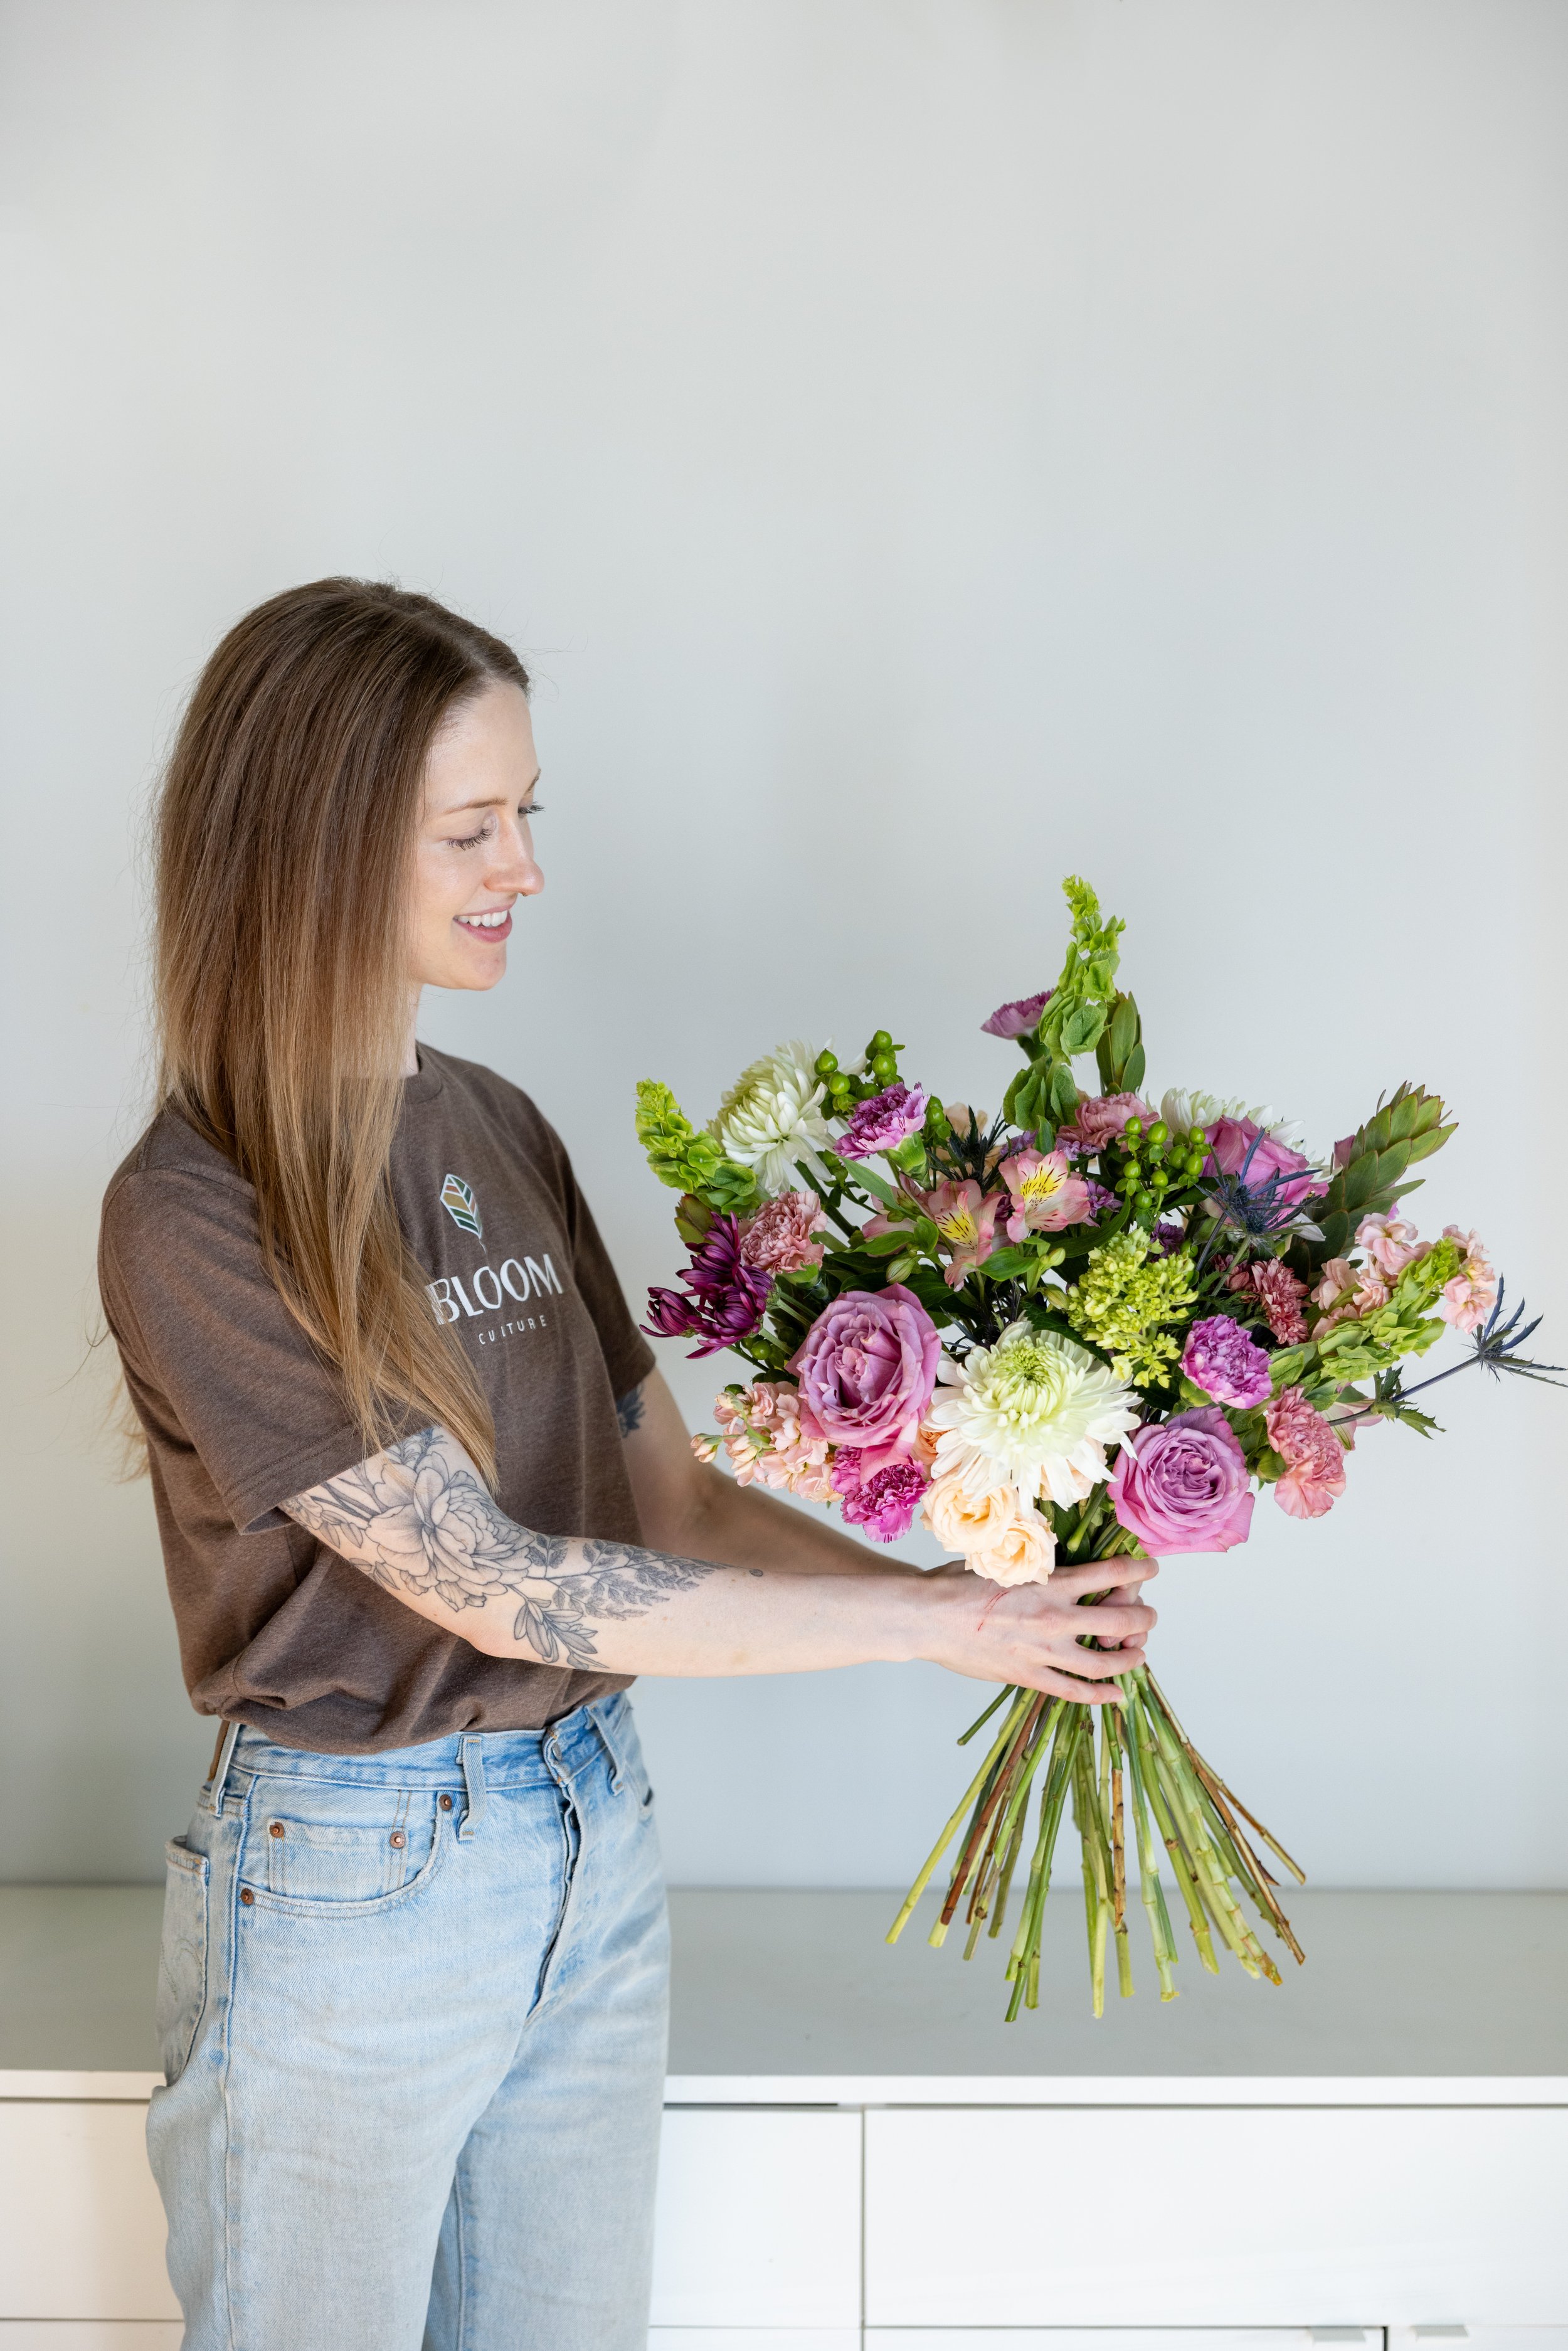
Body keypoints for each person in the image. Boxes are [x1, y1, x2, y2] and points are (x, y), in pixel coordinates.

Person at [98, 578, 1157, 2351]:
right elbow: (501, 1582)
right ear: (314, 842)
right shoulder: (196, 1208)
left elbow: (665, 1501)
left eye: (527, 815)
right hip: (359, 1881)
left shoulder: (496, 1126)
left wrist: (980, 1602)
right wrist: (925, 1640)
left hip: (588, 1823)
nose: (522, 865)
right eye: (469, 827)